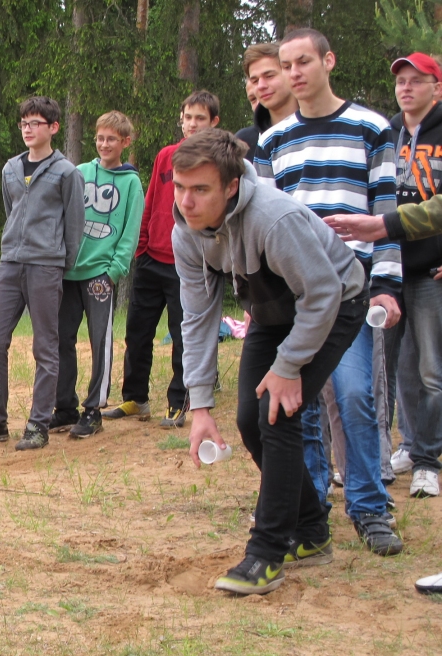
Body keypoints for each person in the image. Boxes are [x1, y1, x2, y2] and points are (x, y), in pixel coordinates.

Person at [173, 130, 368, 595]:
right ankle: (312, 531)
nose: (186, 202)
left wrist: (288, 367)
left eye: (200, 189)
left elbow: (323, 292)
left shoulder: (273, 218)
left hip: (335, 304)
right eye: (179, 187)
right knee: (248, 419)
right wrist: (200, 405)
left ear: (231, 187)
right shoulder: (186, 233)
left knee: (275, 414)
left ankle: (267, 552)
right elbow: (197, 318)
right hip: (271, 314)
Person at [254, 28, 404, 557]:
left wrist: (387, 285)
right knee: (299, 406)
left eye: (303, 62)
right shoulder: (272, 141)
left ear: (328, 61)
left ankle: (369, 506)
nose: (294, 73)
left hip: (352, 287)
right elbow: (264, 223)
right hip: (295, 292)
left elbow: (386, 211)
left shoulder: (372, 127)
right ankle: (310, 507)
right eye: (286, 65)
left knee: (356, 395)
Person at [323, 53, 442, 500]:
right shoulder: (385, 132)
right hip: (383, 271)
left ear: (437, 88)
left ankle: (427, 460)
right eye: (400, 81)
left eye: (416, 80)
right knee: (384, 372)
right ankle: (391, 455)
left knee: (429, 370)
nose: (405, 88)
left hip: (431, 271)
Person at [0, 96, 85, 450]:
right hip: (10, 263)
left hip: (46, 266)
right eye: (24, 123)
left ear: (54, 127)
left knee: (45, 346)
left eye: (35, 123)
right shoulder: (10, 169)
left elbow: (74, 226)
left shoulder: (67, 173)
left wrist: (60, 264)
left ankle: (38, 425)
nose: (28, 129)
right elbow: (11, 212)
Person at [103, 91, 220, 429]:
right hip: (151, 258)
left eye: (200, 118)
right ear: (181, 120)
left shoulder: (218, 163)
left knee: (183, 337)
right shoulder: (166, 156)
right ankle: (135, 398)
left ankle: (178, 401)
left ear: (213, 122)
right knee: (138, 332)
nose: (193, 124)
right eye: (188, 117)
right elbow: (152, 198)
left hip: (190, 263)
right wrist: (142, 245)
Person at [50, 111, 143, 439]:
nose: (105, 144)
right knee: (61, 338)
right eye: (101, 138)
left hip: (100, 275)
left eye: (112, 139)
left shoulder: (131, 183)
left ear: (125, 142)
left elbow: (130, 232)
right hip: (69, 271)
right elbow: (61, 215)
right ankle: (64, 406)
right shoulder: (80, 172)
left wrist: (114, 271)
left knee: (100, 340)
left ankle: (93, 409)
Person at [236, 42, 297, 161]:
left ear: (289, 73)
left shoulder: (322, 128)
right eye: (255, 81)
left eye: (269, 76)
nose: (261, 86)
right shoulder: (243, 142)